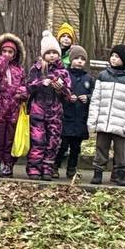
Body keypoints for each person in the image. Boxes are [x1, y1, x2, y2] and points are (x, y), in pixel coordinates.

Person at [88, 43, 125, 185]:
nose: (113, 59)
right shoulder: (102, 76)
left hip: (121, 123)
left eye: (117, 56)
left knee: (120, 152)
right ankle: (98, 172)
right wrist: (93, 120)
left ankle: (120, 175)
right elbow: (96, 99)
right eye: (112, 56)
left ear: (124, 59)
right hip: (104, 121)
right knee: (101, 148)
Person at [25, 35, 72, 180]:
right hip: (38, 111)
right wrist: (41, 83)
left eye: (54, 53)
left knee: (53, 141)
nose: (52, 55)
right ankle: (34, 168)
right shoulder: (37, 69)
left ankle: (47, 169)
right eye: (48, 53)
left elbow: (68, 95)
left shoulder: (63, 72)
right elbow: (28, 87)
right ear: (43, 54)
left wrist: (60, 88)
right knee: (37, 140)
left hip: (55, 112)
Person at [0, 33, 27, 176]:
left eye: (10, 52)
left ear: (15, 54)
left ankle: (8, 165)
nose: (7, 54)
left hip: (13, 108)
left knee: (10, 139)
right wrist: (2, 61)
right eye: (4, 51)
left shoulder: (19, 69)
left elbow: (24, 84)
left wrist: (22, 93)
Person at [58, 45, 93, 180]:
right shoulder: (65, 75)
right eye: (77, 58)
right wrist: (67, 96)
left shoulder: (88, 78)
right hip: (66, 116)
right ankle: (55, 166)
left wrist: (87, 98)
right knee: (63, 145)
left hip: (80, 118)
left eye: (82, 59)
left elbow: (94, 94)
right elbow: (59, 92)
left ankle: (71, 169)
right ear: (71, 59)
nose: (79, 61)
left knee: (76, 147)